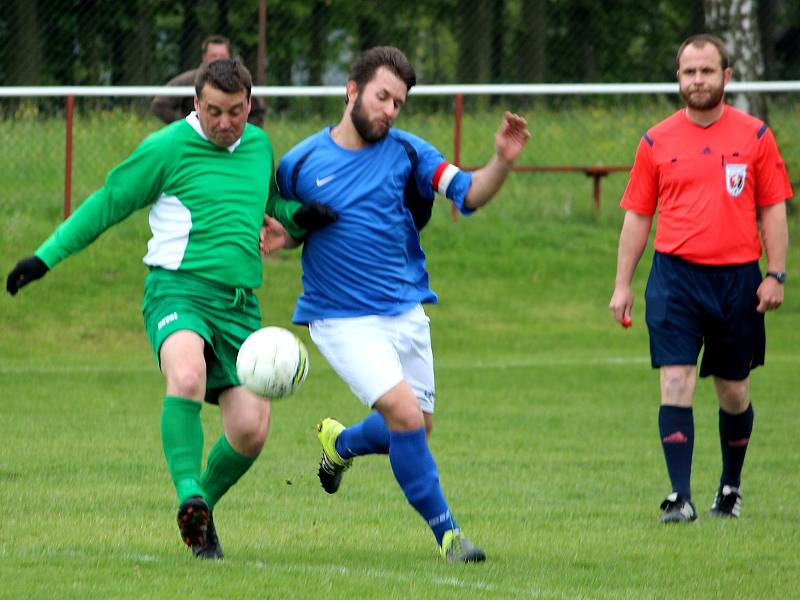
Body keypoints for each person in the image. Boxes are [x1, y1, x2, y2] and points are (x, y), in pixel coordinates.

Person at [6, 59, 336, 559]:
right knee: (186, 375)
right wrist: (45, 257)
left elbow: (269, 207)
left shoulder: (260, 146)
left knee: (250, 430)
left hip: (240, 307)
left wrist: (300, 216)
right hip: (177, 292)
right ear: (195, 105)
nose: (225, 123)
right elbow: (108, 203)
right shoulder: (166, 149)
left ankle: (200, 512)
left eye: (236, 112)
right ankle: (189, 491)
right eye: (214, 111)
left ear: (250, 105)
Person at [274, 46, 530, 562]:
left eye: (399, 102)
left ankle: (341, 445)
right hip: (340, 316)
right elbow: (279, 219)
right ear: (352, 91)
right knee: (407, 418)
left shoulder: (410, 152)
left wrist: (500, 161)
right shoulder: (299, 161)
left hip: (406, 311)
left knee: (417, 427)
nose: (390, 109)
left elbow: (468, 193)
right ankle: (450, 536)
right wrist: (283, 232)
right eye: (382, 96)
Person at [608, 34, 791, 524]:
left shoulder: (755, 136)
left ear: (726, 77)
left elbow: (773, 209)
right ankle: (679, 496)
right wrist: (622, 283)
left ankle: (729, 488)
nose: (698, 80)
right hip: (675, 277)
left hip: (737, 280)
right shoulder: (656, 139)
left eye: (707, 71)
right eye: (689, 72)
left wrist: (775, 274)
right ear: (679, 78)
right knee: (675, 379)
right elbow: (637, 217)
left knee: (733, 390)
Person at [151, 35, 266, 127]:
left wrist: (241, 129)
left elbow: (258, 111)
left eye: (222, 55)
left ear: (229, 56)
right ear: (204, 57)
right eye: (213, 55)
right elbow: (159, 104)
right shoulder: (188, 80)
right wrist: (190, 124)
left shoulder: (240, 81)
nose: (218, 59)